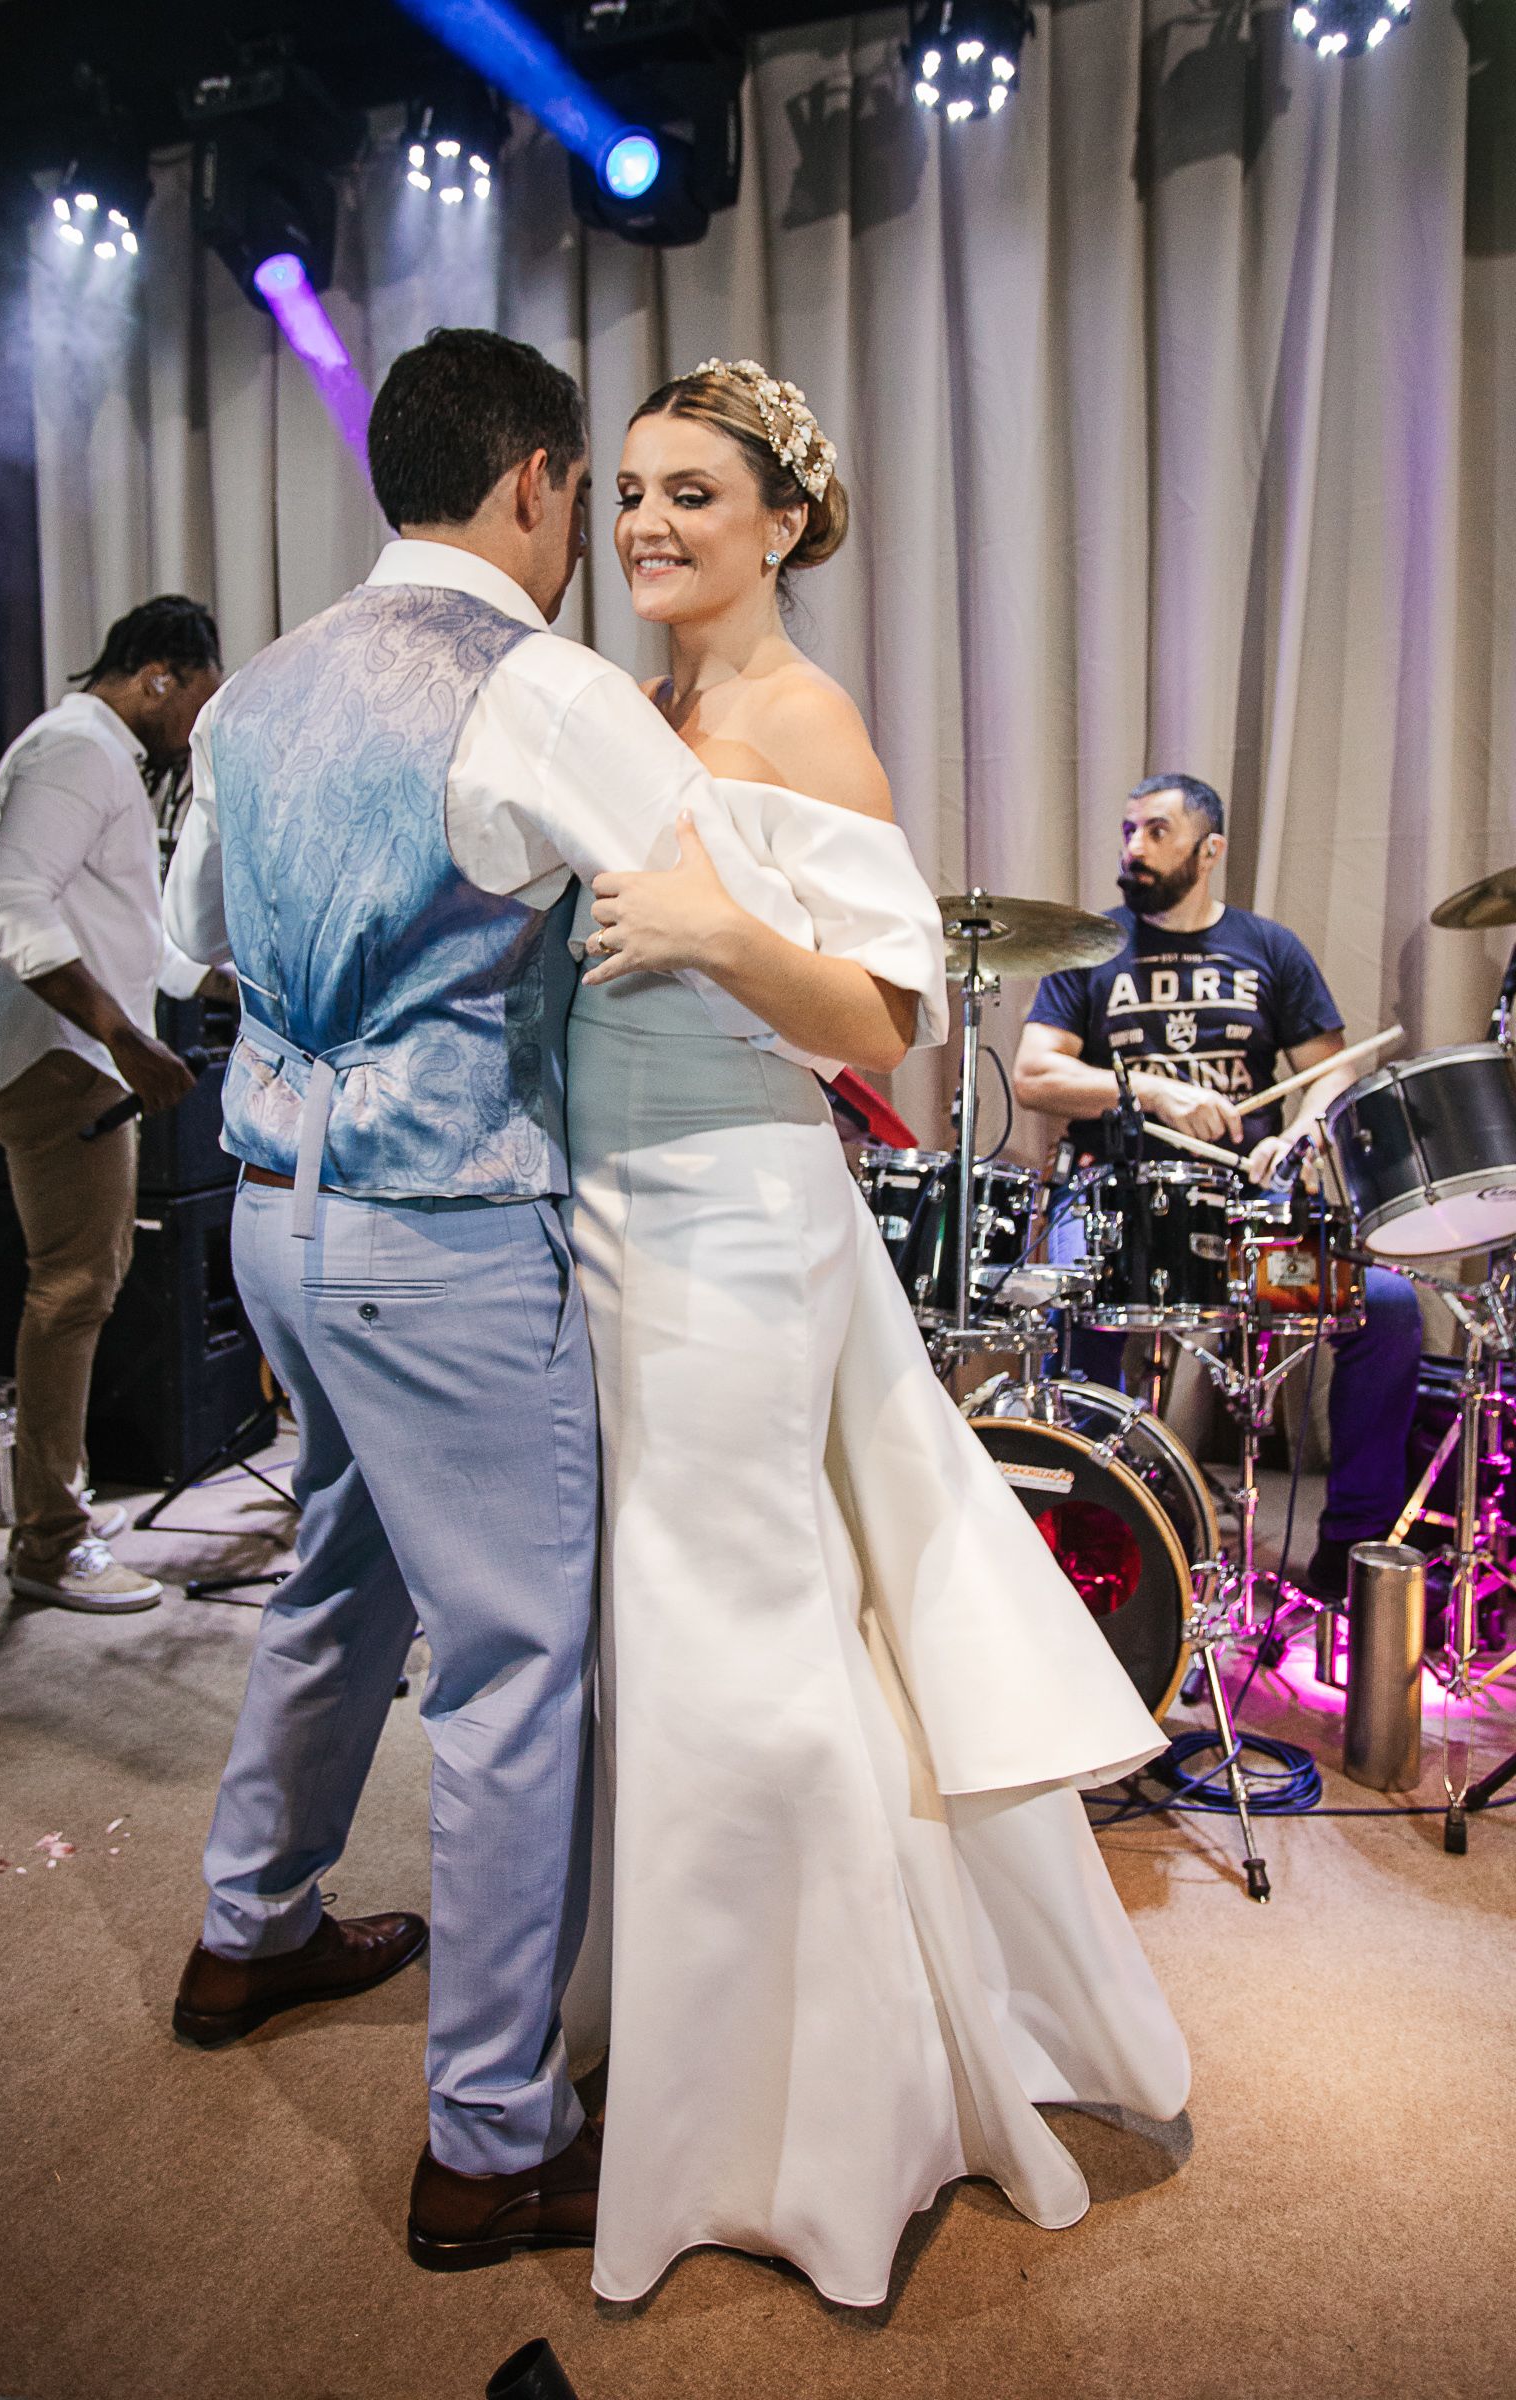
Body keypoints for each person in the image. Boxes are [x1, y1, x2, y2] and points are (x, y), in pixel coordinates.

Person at [160, 327, 929, 2273]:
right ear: (533, 488)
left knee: (338, 1565)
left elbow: (193, 948)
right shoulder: (541, 687)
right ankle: (490, 2137)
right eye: (606, 489)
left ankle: (247, 1933)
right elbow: (695, 893)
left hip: (270, 1207)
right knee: (510, 1667)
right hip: (440, 1223)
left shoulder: (250, 693)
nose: (621, 525)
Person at [549, 361, 1191, 2307]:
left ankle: (823, 2116)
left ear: (780, 524)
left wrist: (710, 935)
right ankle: (689, 2049)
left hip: (737, 1222)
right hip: (613, 1216)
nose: (648, 525)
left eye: (689, 496)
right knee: (662, 1644)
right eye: (631, 494)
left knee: (742, 1644)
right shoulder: (643, 708)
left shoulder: (802, 720)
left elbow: (883, 1019)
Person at [1012, 774, 1424, 1598]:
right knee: (1058, 1304)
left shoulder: (1268, 948)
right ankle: (1098, 1541)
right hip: (1114, 1205)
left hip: (1250, 1216)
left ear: (1210, 850)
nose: (1133, 847)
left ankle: (1353, 1555)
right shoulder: (1093, 947)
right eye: (1127, 829)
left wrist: (1303, 1132)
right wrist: (1152, 1091)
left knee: (1387, 1307)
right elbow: (1033, 1073)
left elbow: (1330, 1072)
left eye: (1155, 831)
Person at [0, 597, 226, 1613]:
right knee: (72, 1291)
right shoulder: (80, 748)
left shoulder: (97, 752)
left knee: (89, 1281)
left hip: (68, 1051)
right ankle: (49, 1541)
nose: (196, 725)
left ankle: (54, 1500)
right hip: (55, 1058)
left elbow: (134, 933)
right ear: (158, 674)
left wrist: (230, 985)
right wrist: (123, 1036)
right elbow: (7, 900)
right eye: (195, 697)